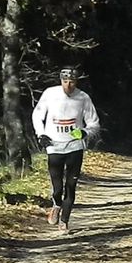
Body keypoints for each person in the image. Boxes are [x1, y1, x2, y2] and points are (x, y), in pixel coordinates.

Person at [32, 66, 100, 232]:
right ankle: (56, 204)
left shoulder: (83, 98)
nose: (68, 85)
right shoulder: (50, 94)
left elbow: (94, 124)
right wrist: (41, 134)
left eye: (72, 82)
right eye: (65, 81)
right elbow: (37, 115)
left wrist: (84, 132)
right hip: (54, 146)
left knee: (71, 185)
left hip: (74, 147)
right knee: (57, 187)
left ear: (76, 82)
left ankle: (65, 220)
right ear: (60, 80)